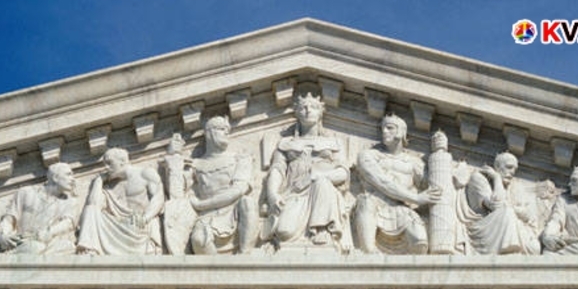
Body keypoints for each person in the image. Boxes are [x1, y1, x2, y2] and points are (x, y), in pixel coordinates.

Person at [262, 93, 350, 250]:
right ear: (296, 113)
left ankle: (321, 229)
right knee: (284, 232)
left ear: (321, 113)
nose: (308, 110)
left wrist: (318, 176)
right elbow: (277, 170)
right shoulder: (285, 143)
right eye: (303, 107)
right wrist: (272, 194)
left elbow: (343, 173)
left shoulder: (334, 142)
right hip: (294, 192)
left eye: (313, 107)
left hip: (324, 194)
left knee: (322, 183)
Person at [353, 114, 440, 254]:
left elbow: (433, 186)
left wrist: (442, 157)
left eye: (390, 128)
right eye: (383, 128)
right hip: (375, 205)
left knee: (420, 243)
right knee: (365, 201)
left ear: (401, 132)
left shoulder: (414, 163)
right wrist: (416, 198)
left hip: (402, 209)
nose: (384, 131)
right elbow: (382, 181)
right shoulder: (368, 156)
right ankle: (368, 252)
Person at [181, 116, 259, 255]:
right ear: (209, 132)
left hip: (234, 211)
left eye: (228, 129)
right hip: (207, 217)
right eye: (222, 129)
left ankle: (245, 256)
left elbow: (239, 189)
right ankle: (217, 267)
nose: (227, 132)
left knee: (248, 202)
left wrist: (201, 204)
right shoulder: (195, 165)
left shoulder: (239, 158)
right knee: (198, 239)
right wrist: (174, 157)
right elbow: (182, 196)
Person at [77, 147, 164, 255]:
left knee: (152, 220)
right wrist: (98, 181)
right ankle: (89, 251)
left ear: (122, 161)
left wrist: (145, 218)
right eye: (105, 164)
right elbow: (93, 205)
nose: (106, 167)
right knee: (90, 209)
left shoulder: (144, 173)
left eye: (109, 163)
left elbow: (158, 197)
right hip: (117, 226)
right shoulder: (108, 186)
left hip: (139, 225)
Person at [456, 151, 545, 255]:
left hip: (503, 227)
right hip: (482, 229)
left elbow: (527, 214)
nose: (512, 172)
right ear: (497, 166)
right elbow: (496, 205)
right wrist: (497, 178)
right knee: (507, 212)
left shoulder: (508, 187)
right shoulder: (478, 178)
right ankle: (509, 251)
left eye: (514, 169)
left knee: (535, 248)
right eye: (509, 167)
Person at [0, 162, 79, 254]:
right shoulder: (26, 192)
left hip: (47, 244)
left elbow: (67, 223)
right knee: (34, 247)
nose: (73, 179)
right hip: (22, 243)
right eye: (68, 175)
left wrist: (49, 233)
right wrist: (3, 235)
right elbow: (9, 220)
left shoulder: (69, 202)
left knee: (67, 246)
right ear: (55, 178)